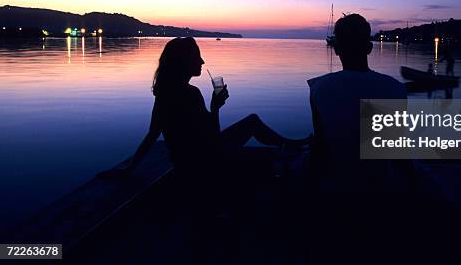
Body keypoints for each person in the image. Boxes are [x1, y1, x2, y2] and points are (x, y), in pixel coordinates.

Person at [98, 37, 310, 198]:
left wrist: (129, 169)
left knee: (253, 124)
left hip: (185, 165)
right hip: (205, 166)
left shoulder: (165, 93)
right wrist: (215, 108)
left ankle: (290, 145)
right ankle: (291, 147)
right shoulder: (190, 94)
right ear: (183, 62)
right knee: (267, 157)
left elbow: (153, 134)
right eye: (196, 57)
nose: (202, 61)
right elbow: (213, 139)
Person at [307, 14, 407, 192]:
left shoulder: (318, 88)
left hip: (337, 184)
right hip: (378, 186)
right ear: (369, 48)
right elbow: (396, 152)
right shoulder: (395, 89)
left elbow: (321, 147)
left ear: (336, 49)